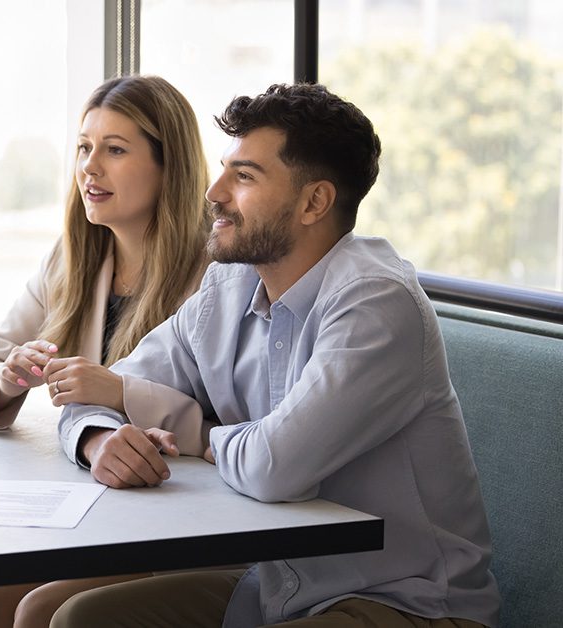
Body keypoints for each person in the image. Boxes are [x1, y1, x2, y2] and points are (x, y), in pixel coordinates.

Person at [52, 83, 499, 627]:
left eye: (243, 177)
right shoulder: (227, 286)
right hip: (277, 583)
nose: (213, 192)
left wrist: (193, 433)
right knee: (82, 618)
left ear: (315, 202)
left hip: (402, 601)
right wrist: (99, 438)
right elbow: (103, 388)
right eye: (225, 170)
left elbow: (272, 467)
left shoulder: (376, 303)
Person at [0, 74, 211, 628]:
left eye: (115, 150)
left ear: (171, 167)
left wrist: (121, 398)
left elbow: (234, 419)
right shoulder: (74, 258)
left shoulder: (216, 274)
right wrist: (8, 379)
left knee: (42, 610)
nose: (89, 168)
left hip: (181, 513)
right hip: (96, 501)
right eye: (84, 147)